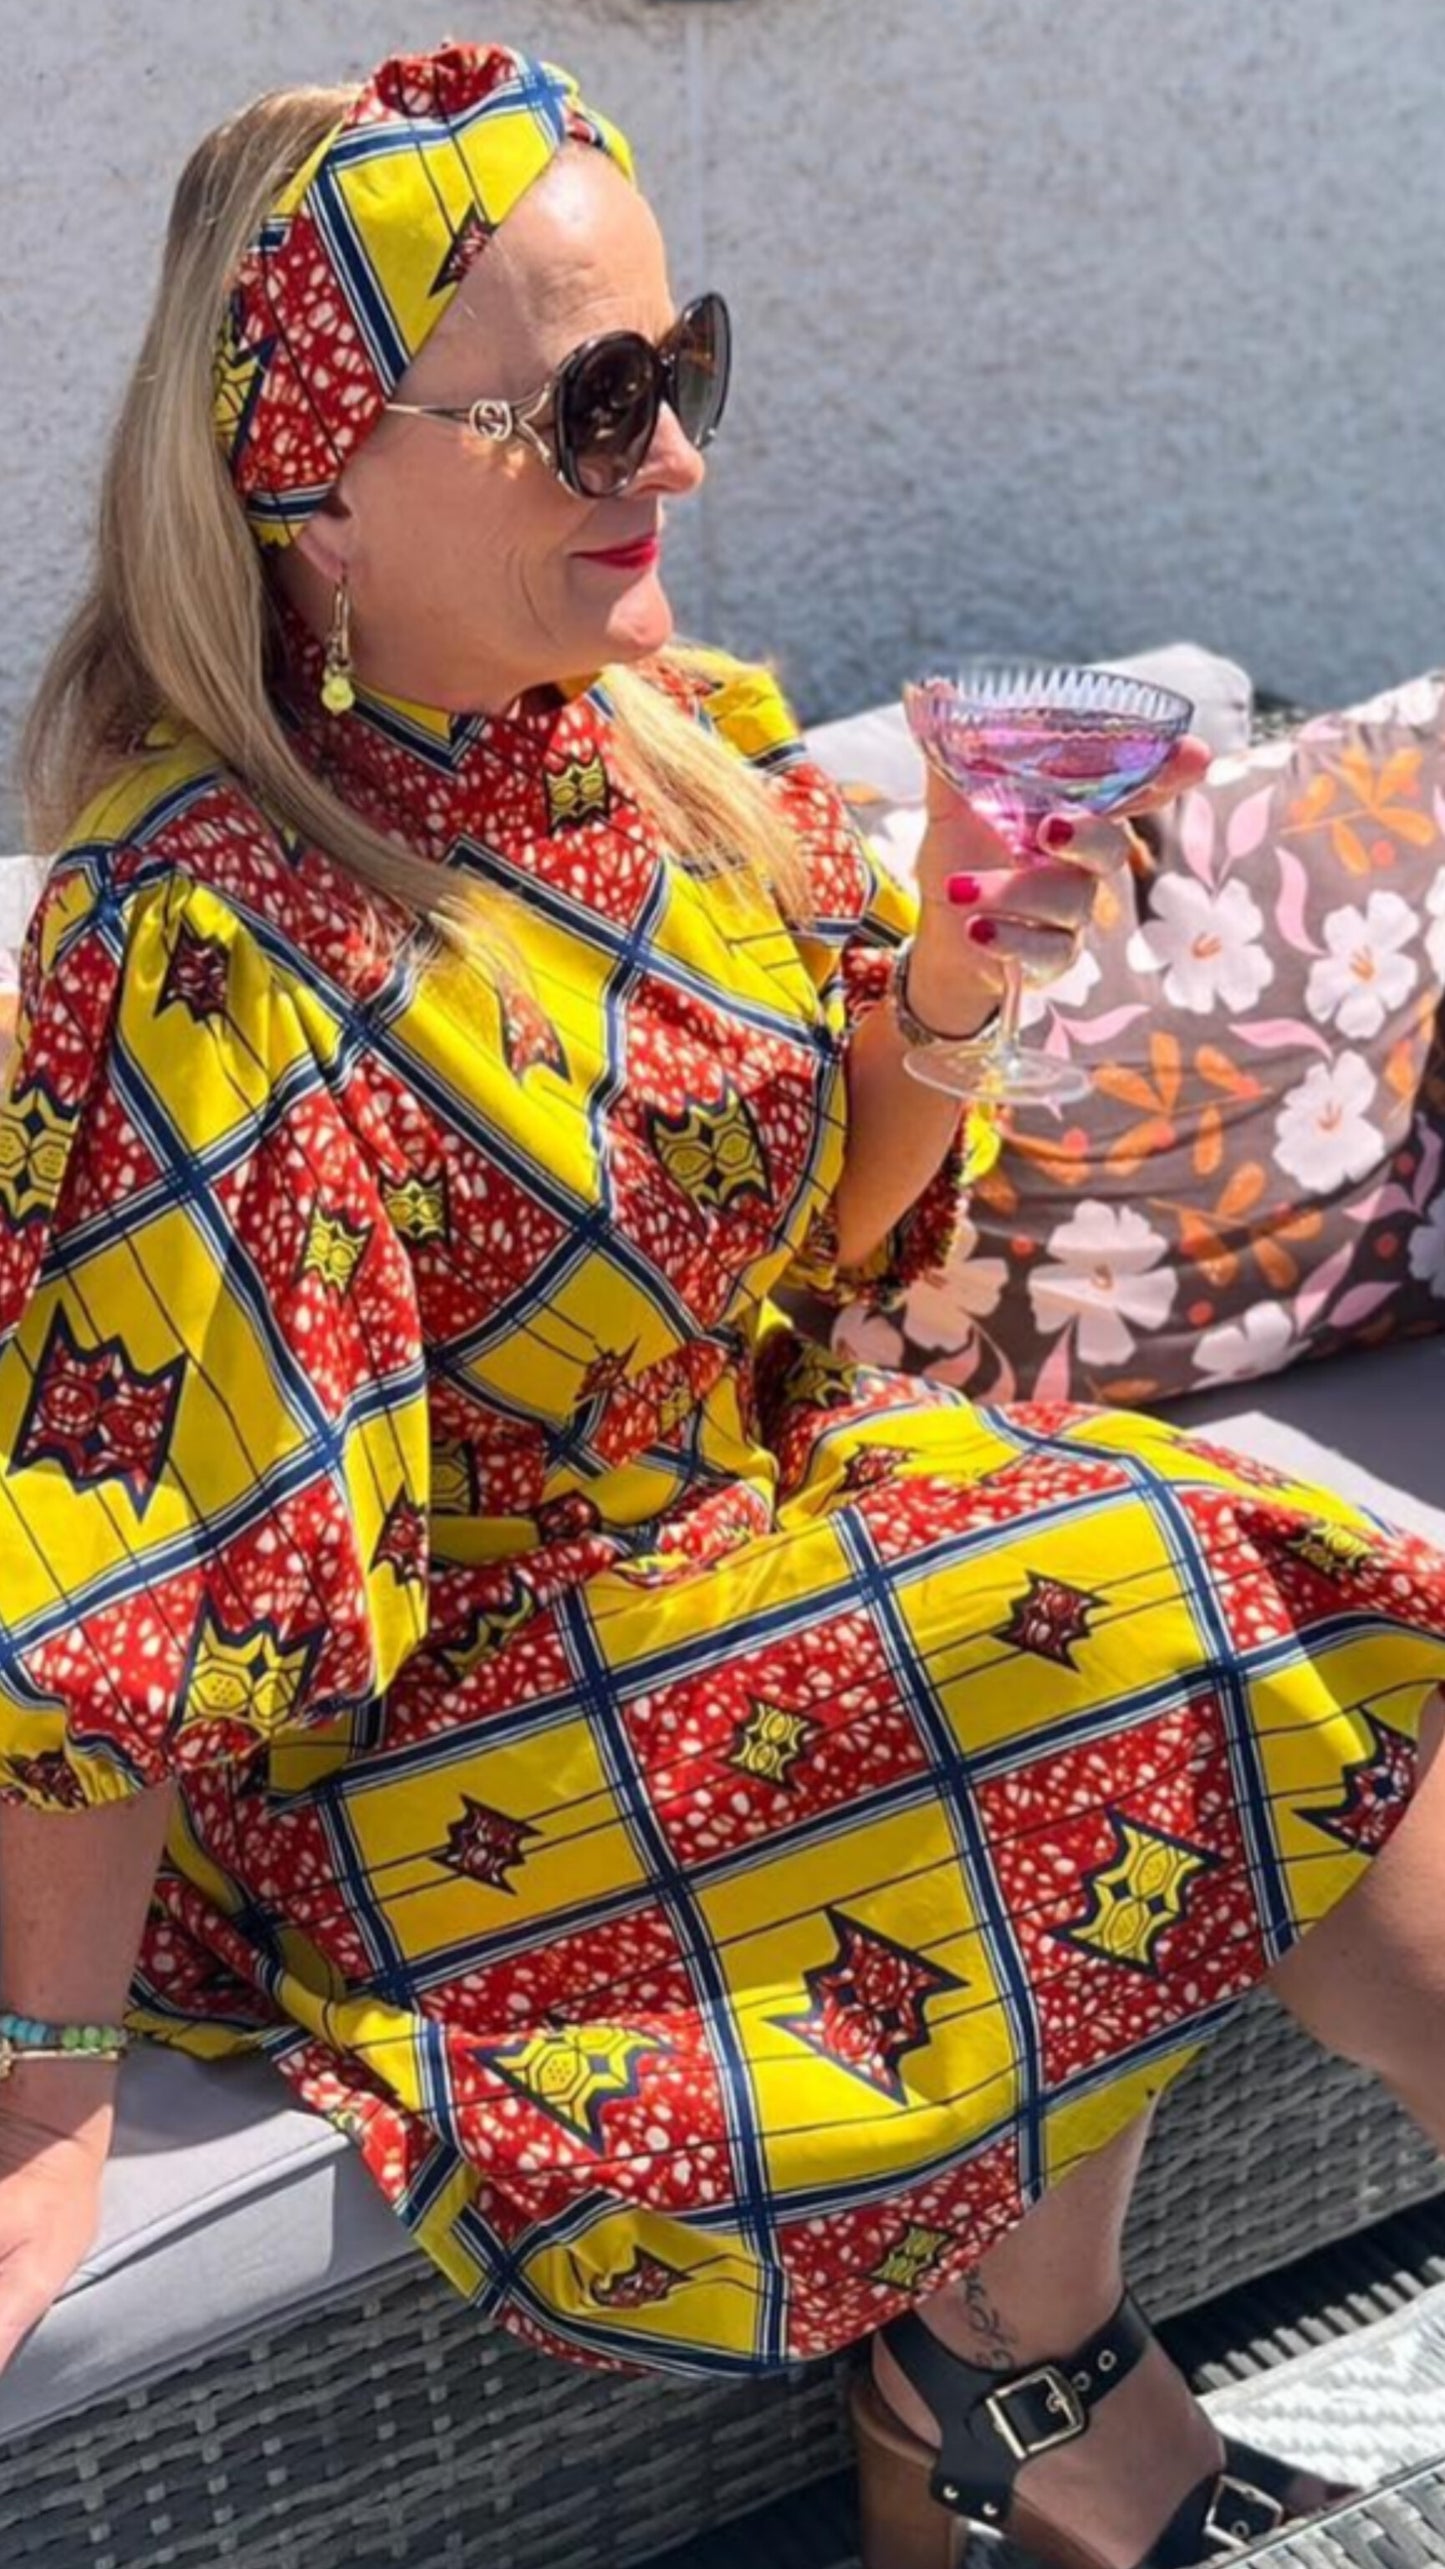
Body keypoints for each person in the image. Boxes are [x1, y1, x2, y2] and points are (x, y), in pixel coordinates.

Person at [3, 41, 1444, 2569]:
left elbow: (838, 1225)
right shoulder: (204, 933)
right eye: (590, 402)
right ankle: (1029, 2397)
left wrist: (962, 978)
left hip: (724, 1563)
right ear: (312, 475)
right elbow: (127, 1558)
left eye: (686, 371)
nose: (675, 461)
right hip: (417, 1760)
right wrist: (39, 2074)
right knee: (1158, 1604)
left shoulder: (653, 757)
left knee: (1180, 1576)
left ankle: (1016, 2381)